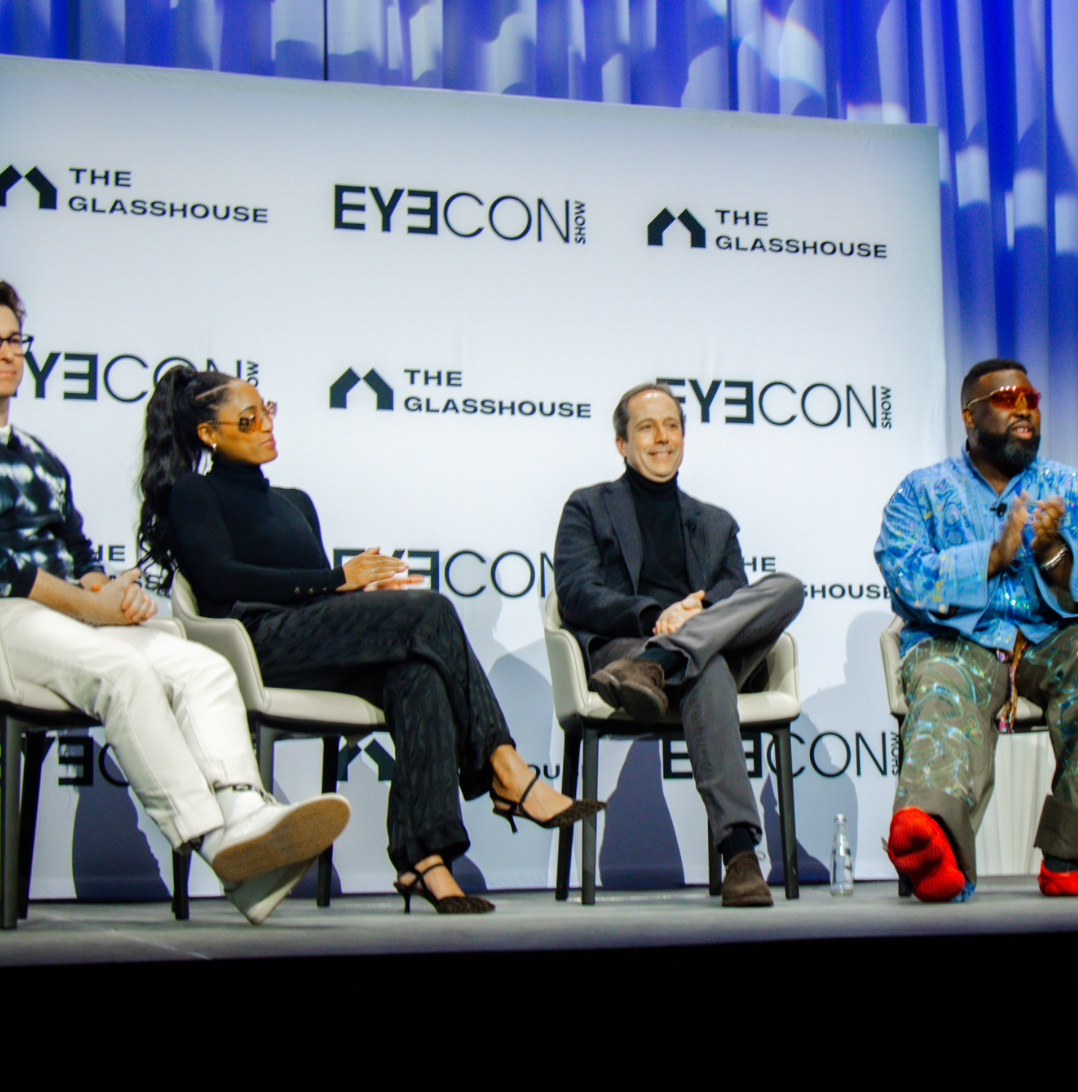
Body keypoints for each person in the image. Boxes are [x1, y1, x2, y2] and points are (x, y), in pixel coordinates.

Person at [0, 278, 349, 924]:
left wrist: (103, 588)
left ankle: (244, 818)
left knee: (200, 664)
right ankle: (216, 843)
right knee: (122, 669)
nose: (6, 353)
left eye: (14, 338)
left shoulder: (39, 457)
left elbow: (72, 554)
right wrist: (83, 604)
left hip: (49, 615)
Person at [137, 364, 602, 917]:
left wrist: (360, 600)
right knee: (430, 611)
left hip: (311, 639)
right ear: (209, 434)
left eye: (269, 411)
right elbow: (219, 581)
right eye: (248, 417)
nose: (266, 425)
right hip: (254, 644)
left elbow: (314, 601)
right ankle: (507, 771)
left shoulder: (294, 501)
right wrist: (338, 580)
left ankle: (424, 861)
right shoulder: (195, 493)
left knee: (419, 674)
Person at [875, 357, 1078, 902]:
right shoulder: (921, 490)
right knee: (941, 678)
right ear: (969, 416)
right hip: (961, 643)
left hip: (1050, 640)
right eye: (1005, 399)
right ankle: (933, 842)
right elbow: (903, 576)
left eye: (1030, 398)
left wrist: (1054, 553)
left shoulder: (1072, 487)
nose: (1023, 408)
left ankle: (1069, 851)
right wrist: (990, 558)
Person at [553, 381, 805, 906]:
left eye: (671, 426)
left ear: (684, 438)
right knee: (706, 668)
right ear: (622, 443)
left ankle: (666, 661)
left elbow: (737, 592)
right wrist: (654, 614)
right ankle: (739, 852)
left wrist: (702, 612)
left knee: (787, 588)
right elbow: (576, 594)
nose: (661, 437)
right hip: (625, 651)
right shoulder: (587, 507)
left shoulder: (715, 522)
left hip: (666, 661)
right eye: (646, 427)